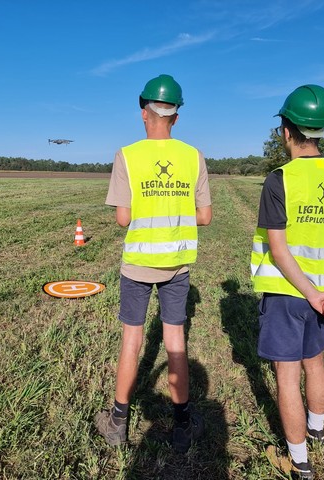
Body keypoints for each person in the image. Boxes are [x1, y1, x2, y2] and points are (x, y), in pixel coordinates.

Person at [251, 85, 324, 479]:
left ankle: (298, 461)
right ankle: (316, 431)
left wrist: (312, 293)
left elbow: (279, 252)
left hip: (288, 292)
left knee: (287, 374)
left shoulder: (279, 180)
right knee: (313, 362)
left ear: (286, 130)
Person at [95, 74, 212, 453]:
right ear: (176, 117)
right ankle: (182, 425)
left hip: (138, 265)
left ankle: (117, 421)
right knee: (175, 340)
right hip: (177, 265)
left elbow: (123, 219)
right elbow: (205, 216)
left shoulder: (126, 155)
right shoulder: (193, 157)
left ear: (143, 112)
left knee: (133, 338)